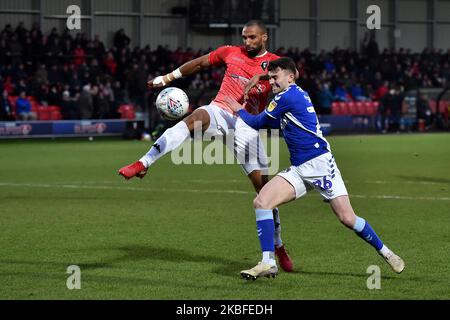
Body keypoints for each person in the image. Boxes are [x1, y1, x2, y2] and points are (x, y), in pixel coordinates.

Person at [118, 20, 294, 272]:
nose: (247, 42)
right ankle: (144, 162)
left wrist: (263, 75)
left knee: (265, 193)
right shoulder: (230, 52)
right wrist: (166, 78)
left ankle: (278, 245)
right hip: (220, 110)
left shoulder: (276, 63)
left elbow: (293, 76)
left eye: (252, 38)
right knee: (192, 119)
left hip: (247, 126)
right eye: (244, 37)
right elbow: (199, 63)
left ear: (264, 37)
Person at [224, 57, 405, 280]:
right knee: (262, 202)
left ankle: (386, 253)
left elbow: (259, 122)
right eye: (270, 77)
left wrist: (237, 110)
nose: (272, 81)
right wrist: (259, 82)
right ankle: (268, 262)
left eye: (275, 76)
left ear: (290, 77)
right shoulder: (294, 94)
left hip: (320, 165)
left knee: (347, 218)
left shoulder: (286, 96)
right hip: (300, 167)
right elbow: (272, 122)